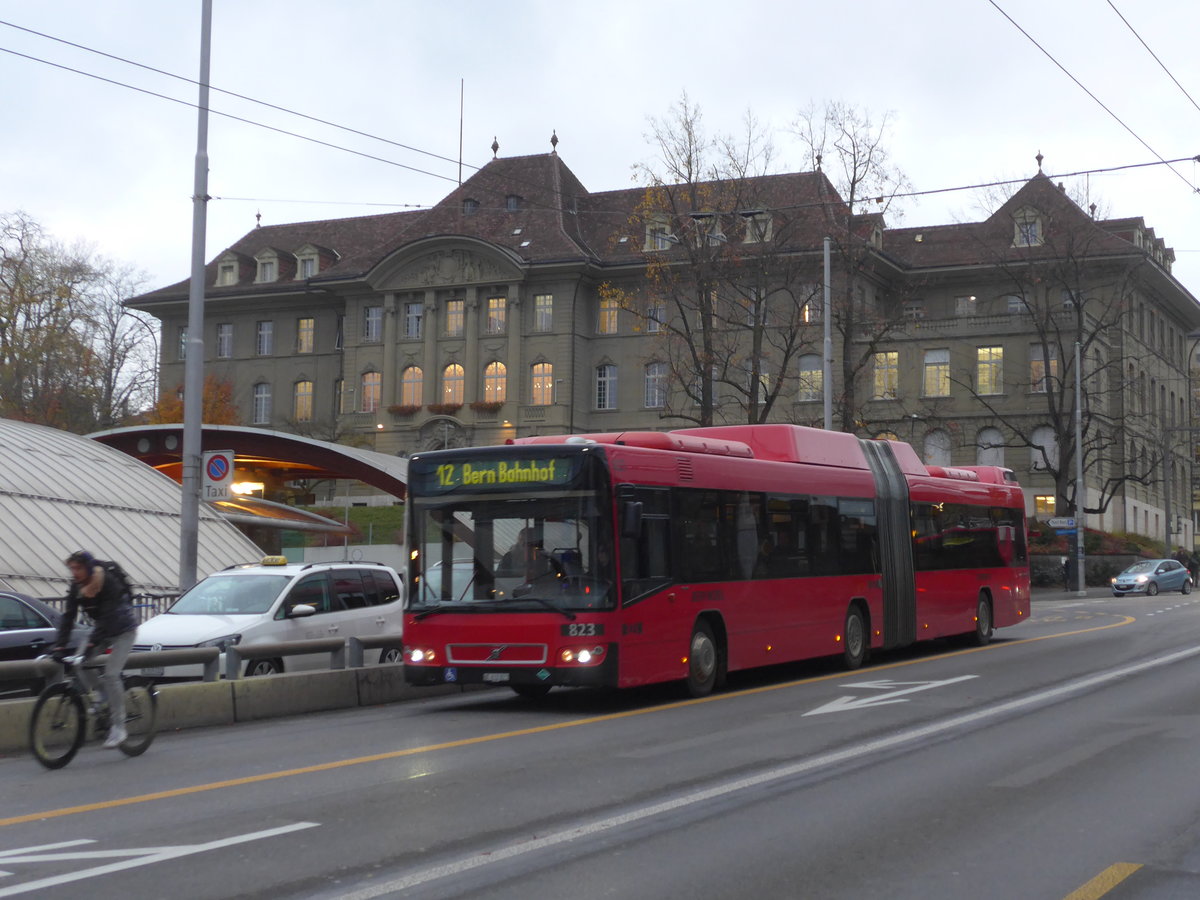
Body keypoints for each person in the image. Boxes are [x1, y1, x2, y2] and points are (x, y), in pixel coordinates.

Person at [53, 550, 138, 748]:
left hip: (124, 631)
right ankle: (103, 694)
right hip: (102, 630)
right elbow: (68, 617)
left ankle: (119, 727)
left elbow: (108, 615)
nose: (74, 572)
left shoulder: (107, 582)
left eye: (78, 568)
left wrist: (92, 643)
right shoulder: (77, 586)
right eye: (72, 568)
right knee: (80, 663)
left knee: (111, 674)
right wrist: (60, 646)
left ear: (89, 568)